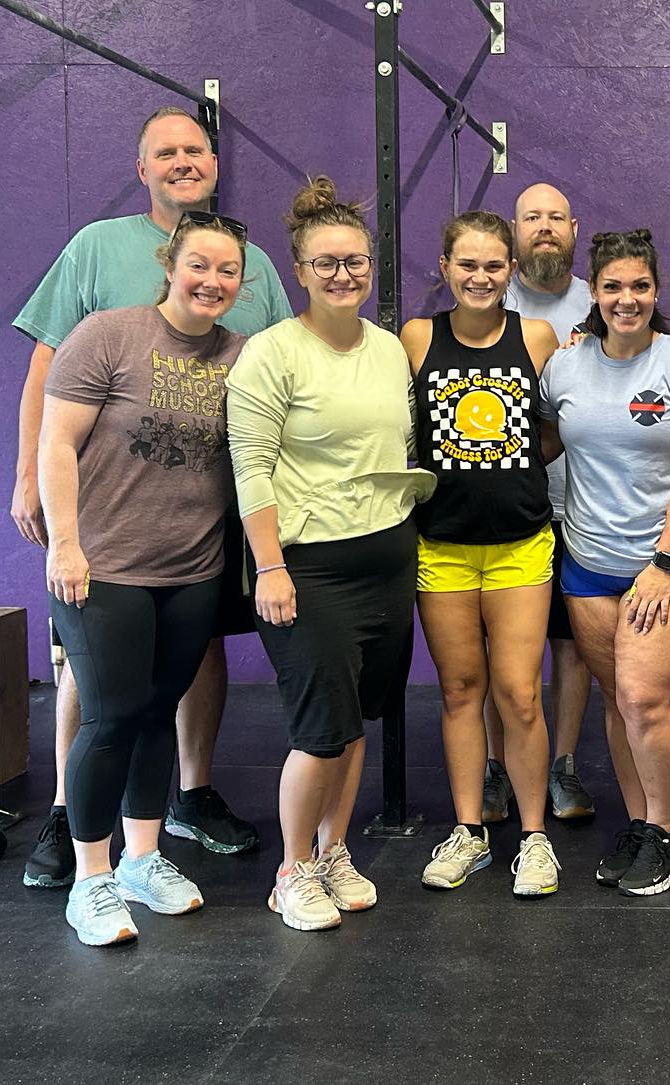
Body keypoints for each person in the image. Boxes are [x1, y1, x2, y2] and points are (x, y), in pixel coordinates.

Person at [13, 106, 293, 889]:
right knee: (104, 690)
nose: (182, 161)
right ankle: (75, 825)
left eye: (195, 149)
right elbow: (47, 379)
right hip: (107, 535)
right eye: (165, 152)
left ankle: (174, 815)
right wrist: (34, 482)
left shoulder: (252, 280)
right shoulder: (100, 271)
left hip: (199, 536)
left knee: (180, 673)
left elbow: (285, 379)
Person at [227, 177, 435, 932]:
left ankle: (333, 850)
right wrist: (270, 566)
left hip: (388, 558)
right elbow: (251, 468)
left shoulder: (386, 350)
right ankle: (291, 871)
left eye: (355, 261)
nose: (343, 274)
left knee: (353, 724)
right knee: (319, 731)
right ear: (299, 270)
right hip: (307, 567)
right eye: (326, 263)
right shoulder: (270, 353)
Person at [38, 213, 250, 944]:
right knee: (111, 715)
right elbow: (56, 443)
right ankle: (90, 880)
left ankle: (141, 858)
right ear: (170, 265)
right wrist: (65, 544)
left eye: (228, 271)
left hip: (192, 568)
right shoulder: (107, 335)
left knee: (160, 710)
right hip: (104, 565)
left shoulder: (241, 356)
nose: (212, 281)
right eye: (200, 265)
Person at [538, 229, 670, 896]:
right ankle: (641, 822)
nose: (627, 299)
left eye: (639, 286)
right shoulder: (566, 366)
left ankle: (668, 828)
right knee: (618, 704)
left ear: (656, 289)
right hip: (588, 562)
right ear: (593, 291)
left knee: (643, 698)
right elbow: (539, 439)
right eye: (613, 286)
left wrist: (664, 563)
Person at [400, 211, 563, 896]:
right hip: (441, 546)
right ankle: (469, 832)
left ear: (512, 271)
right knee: (460, 690)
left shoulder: (537, 336)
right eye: (467, 264)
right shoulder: (417, 337)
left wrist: (506, 469)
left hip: (521, 544)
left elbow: (555, 430)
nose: (480, 276)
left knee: (519, 694)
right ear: (445, 268)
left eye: (494, 265)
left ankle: (535, 838)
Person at [474, 183, 597, 825]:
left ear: (574, 229)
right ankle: (497, 768)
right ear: (513, 233)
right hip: (511, 508)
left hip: (584, 508)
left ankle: (563, 766)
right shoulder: (490, 297)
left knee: (571, 646)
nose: (544, 226)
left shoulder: (601, 303)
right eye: (531, 217)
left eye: (556, 216)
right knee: (501, 653)